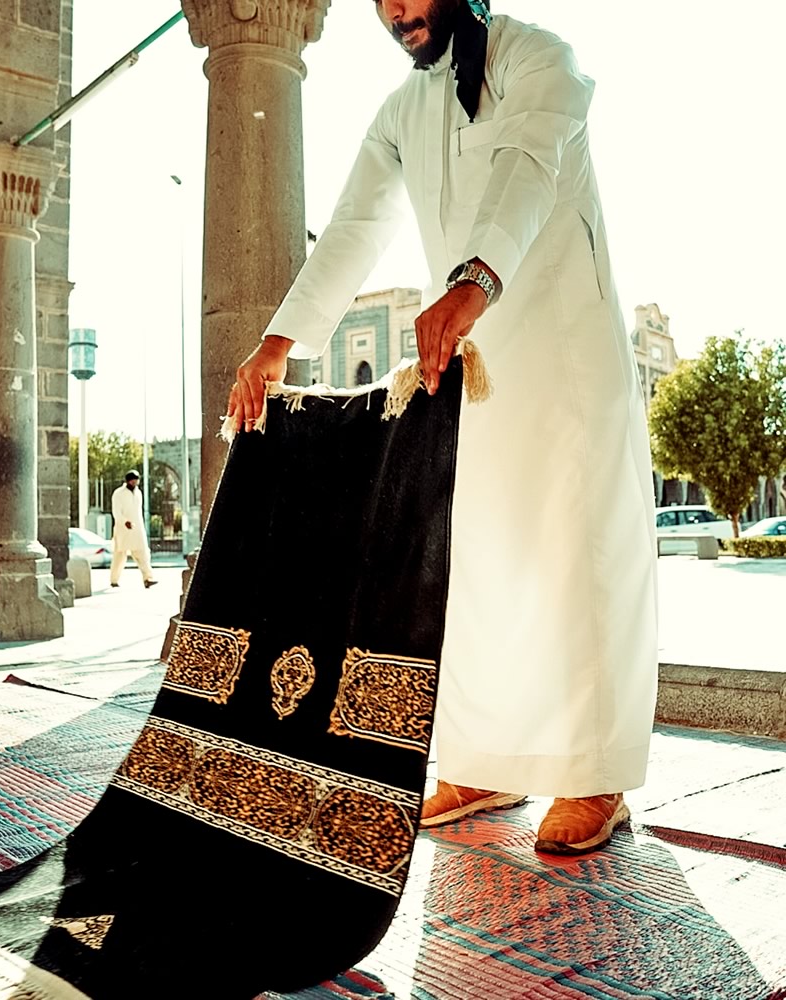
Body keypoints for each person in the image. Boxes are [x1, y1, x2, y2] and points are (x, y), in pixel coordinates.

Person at [228, 0, 657, 855]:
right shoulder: (404, 111)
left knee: (576, 557)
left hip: (563, 354)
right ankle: (484, 759)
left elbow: (528, 167)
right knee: (475, 561)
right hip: (467, 364)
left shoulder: (541, 60)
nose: (395, 11)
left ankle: (594, 776)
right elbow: (355, 224)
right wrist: (280, 342)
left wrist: (473, 278)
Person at [110, 471, 158, 590]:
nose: (134, 482)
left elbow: (138, 512)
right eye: (132, 480)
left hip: (137, 529)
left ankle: (148, 578)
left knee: (143, 553)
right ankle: (114, 580)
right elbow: (116, 511)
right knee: (120, 556)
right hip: (122, 530)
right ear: (127, 481)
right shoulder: (118, 494)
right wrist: (124, 521)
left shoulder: (138, 493)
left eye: (136, 480)